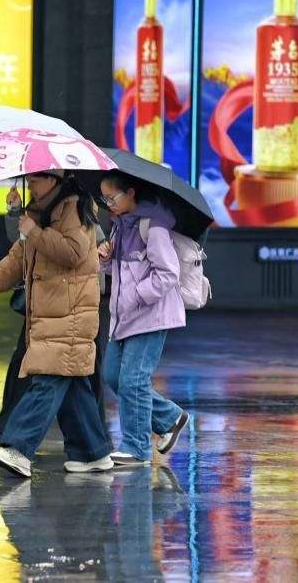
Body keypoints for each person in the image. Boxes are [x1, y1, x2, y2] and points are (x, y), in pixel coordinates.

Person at [0, 170, 113, 478]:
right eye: (29, 180)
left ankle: (18, 448)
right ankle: (92, 453)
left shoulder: (75, 208)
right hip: (52, 312)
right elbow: (19, 254)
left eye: (36, 180)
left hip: (71, 312)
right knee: (73, 385)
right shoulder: (39, 211)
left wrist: (35, 231)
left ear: (54, 179)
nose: (30, 185)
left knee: (47, 379)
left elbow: (75, 252)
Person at [98, 171, 190, 467]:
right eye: (104, 198)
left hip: (151, 315)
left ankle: (136, 447)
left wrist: (136, 295)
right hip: (123, 316)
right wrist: (104, 259)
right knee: (113, 375)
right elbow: (121, 272)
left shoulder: (154, 226)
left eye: (112, 197)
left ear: (131, 193)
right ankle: (169, 417)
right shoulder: (119, 227)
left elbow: (168, 273)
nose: (107, 203)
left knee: (133, 380)